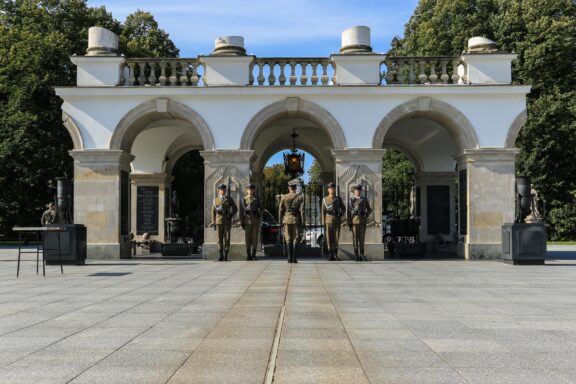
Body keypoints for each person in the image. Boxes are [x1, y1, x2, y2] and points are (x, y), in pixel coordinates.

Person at [279, 179, 304, 263]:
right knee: (296, 238)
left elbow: (281, 210)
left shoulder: (284, 197)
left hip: (286, 219)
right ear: (295, 188)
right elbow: (302, 210)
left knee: (288, 239)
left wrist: (280, 220)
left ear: (289, 188)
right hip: (296, 220)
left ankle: (289, 259)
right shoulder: (300, 197)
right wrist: (302, 222)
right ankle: (294, 258)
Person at [211, 183, 238, 261]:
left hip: (227, 221)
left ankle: (226, 254)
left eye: (224, 189)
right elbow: (213, 212)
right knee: (219, 239)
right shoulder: (215, 200)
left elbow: (235, 209)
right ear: (218, 191)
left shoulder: (229, 199)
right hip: (218, 221)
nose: (222, 191)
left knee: (227, 238)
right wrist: (213, 222)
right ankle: (220, 254)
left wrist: (230, 214)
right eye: (221, 190)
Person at [347, 184, 372, 261]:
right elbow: (348, 213)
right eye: (356, 191)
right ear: (354, 192)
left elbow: (370, 209)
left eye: (359, 191)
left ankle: (362, 254)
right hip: (354, 222)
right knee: (355, 239)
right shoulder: (351, 200)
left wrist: (365, 214)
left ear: (360, 191)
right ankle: (356, 255)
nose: (358, 192)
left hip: (362, 222)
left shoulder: (364, 200)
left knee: (362, 239)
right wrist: (349, 223)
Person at [322, 182, 345, 261]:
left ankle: (335, 254)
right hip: (328, 221)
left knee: (336, 238)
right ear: (328, 190)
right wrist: (323, 222)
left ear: (335, 189)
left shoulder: (338, 199)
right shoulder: (325, 199)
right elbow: (323, 212)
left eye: (333, 188)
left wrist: (340, 214)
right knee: (329, 239)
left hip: (336, 220)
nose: (332, 189)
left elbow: (343, 209)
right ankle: (330, 254)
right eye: (330, 188)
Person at [239, 183, 261, 261]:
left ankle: (254, 254)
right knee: (247, 238)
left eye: (252, 189)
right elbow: (241, 211)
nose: (250, 191)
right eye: (249, 189)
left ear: (254, 190)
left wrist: (257, 212)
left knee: (255, 238)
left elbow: (262, 209)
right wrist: (242, 221)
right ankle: (248, 255)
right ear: (246, 190)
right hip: (247, 221)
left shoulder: (257, 199)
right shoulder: (243, 199)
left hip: (255, 221)